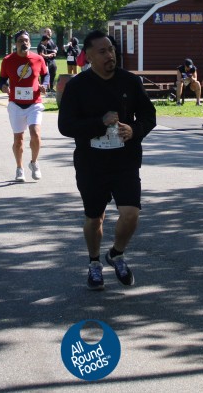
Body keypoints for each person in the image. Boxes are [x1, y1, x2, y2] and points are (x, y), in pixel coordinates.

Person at [58, 31, 156, 290]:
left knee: (131, 214)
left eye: (111, 49)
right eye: (102, 51)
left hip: (125, 160)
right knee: (94, 218)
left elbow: (149, 115)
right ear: (88, 56)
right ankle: (94, 263)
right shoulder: (77, 86)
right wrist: (99, 123)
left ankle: (116, 254)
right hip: (91, 163)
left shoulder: (130, 82)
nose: (110, 55)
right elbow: (65, 126)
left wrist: (134, 130)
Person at [0, 31, 49, 182]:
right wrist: (4, 87)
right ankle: (19, 168)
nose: (24, 43)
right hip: (16, 104)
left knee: (35, 134)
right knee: (18, 139)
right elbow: (2, 80)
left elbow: (46, 75)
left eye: (26, 40)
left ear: (30, 42)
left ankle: (34, 162)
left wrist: (45, 84)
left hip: (34, 103)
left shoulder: (38, 59)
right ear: (16, 44)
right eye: (20, 41)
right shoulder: (8, 60)